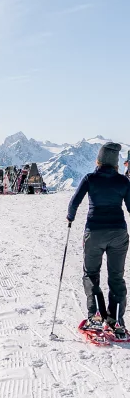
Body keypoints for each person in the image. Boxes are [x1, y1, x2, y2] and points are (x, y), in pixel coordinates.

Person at [67, 141, 130, 337]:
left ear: (100, 159)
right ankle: (117, 321)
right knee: (116, 277)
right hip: (119, 233)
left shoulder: (90, 178)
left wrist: (70, 218)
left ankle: (95, 315)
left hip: (94, 232)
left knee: (91, 274)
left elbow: (74, 202)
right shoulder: (123, 181)